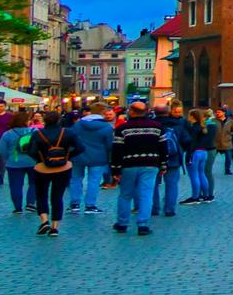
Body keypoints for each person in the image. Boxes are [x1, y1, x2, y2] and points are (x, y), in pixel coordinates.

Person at [110, 101, 165, 236]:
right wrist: (163, 164)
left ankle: (122, 223)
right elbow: (163, 147)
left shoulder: (122, 129)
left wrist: (115, 169)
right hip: (151, 164)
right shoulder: (157, 127)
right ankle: (143, 225)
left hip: (128, 165)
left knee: (125, 195)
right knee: (146, 194)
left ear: (131, 111)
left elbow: (117, 150)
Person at [27, 108, 80, 237]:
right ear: (59, 120)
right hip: (63, 168)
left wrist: (41, 159)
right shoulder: (67, 133)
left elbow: (31, 151)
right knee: (57, 197)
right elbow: (80, 148)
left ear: (44, 120)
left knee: (41, 195)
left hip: (42, 168)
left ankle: (44, 221)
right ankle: (55, 228)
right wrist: (67, 156)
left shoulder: (37, 134)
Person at [64, 101, 112, 214]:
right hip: (98, 157)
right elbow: (109, 145)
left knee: (75, 179)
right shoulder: (106, 127)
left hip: (77, 156)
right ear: (103, 112)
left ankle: (74, 204)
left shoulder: (78, 124)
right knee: (94, 181)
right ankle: (90, 206)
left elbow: (70, 138)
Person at [0, 110, 36, 214]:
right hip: (33, 161)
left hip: (14, 163)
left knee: (15, 185)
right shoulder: (35, 131)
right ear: (26, 121)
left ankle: (17, 207)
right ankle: (30, 203)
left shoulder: (7, 134)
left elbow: (2, 150)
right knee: (34, 183)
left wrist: (8, 159)